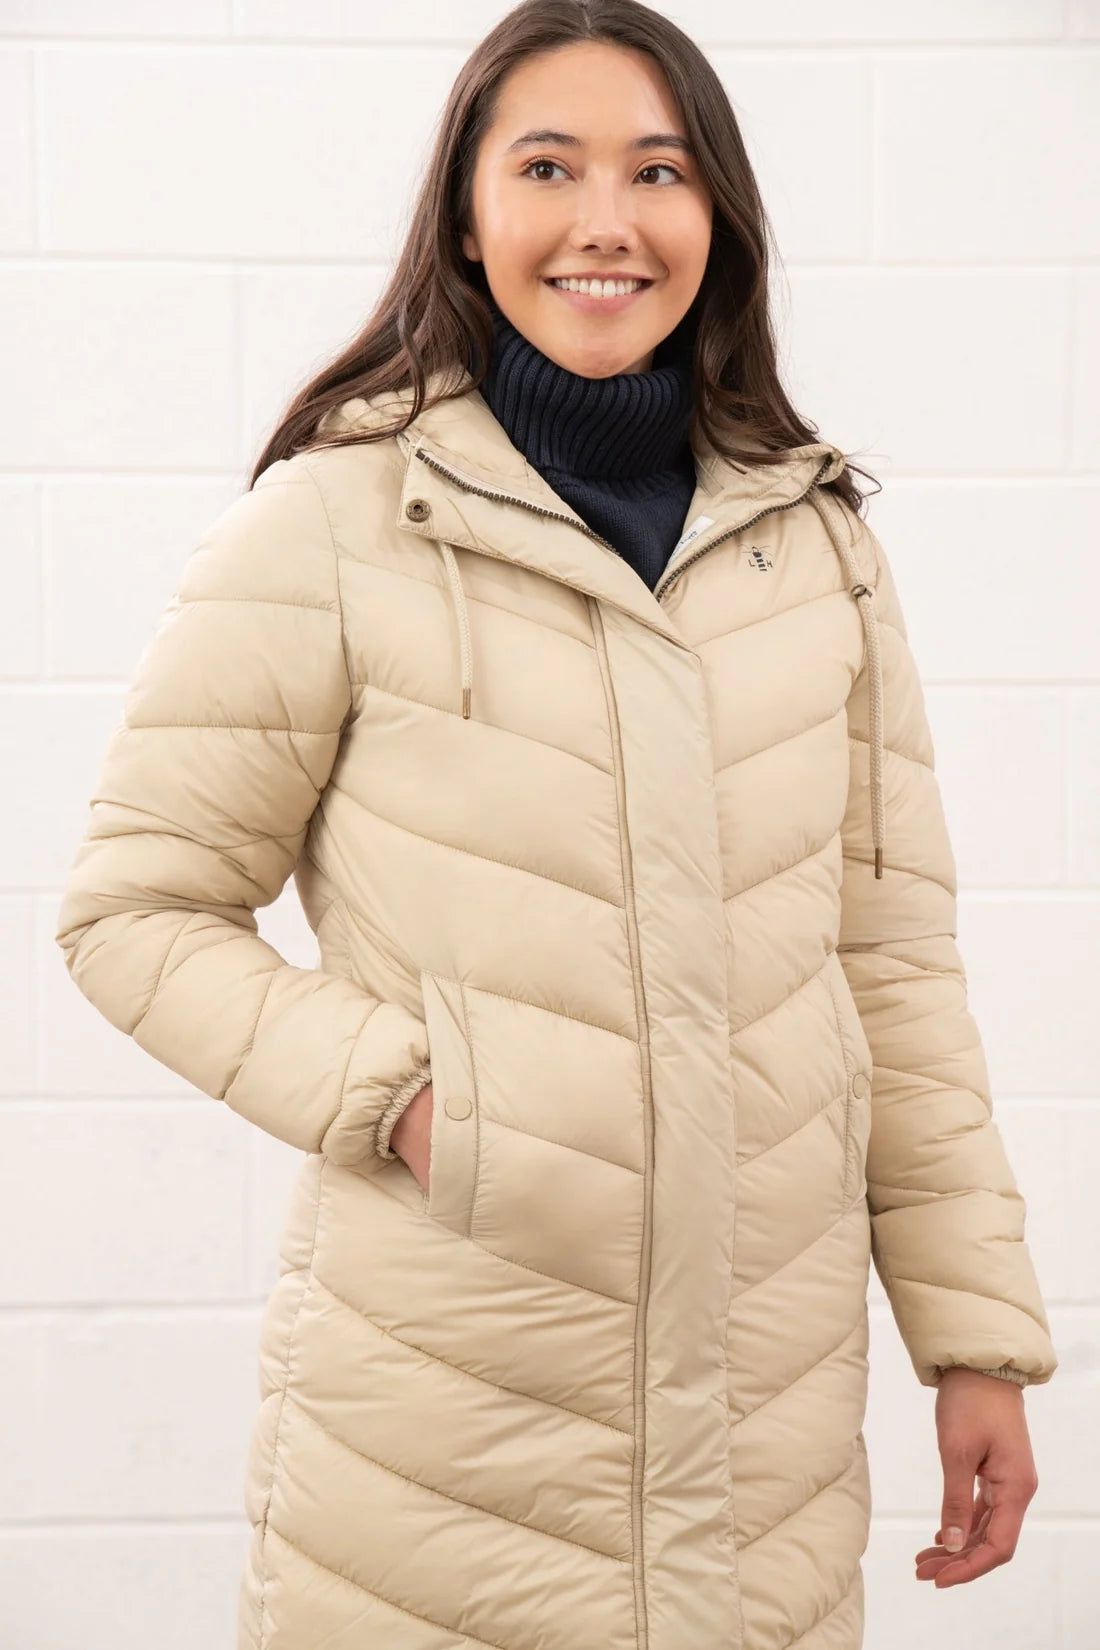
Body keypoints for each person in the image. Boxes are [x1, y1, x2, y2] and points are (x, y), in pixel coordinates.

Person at [54, 3, 1058, 1648]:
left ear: (716, 216)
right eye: (549, 166)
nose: (608, 219)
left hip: (764, 1461)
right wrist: (408, 1099)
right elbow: (133, 910)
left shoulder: (812, 548)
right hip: (433, 1457)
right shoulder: (337, 522)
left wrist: (973, 1337)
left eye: (658, 171)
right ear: (468, 213)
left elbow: (891, 971)